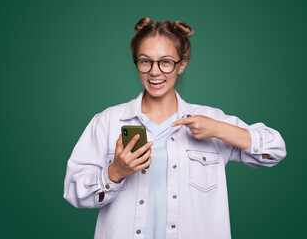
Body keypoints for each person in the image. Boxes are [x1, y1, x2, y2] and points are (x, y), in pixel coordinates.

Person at [63, 17, 286, 239]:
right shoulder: (108, 122)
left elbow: (275, 150)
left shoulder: (211, 119)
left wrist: (218, 129)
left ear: (182, 65)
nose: (155, 71)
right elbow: (74, 192)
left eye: (166, 61)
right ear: (136, 63)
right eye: (145, 61)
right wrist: (115, 172)